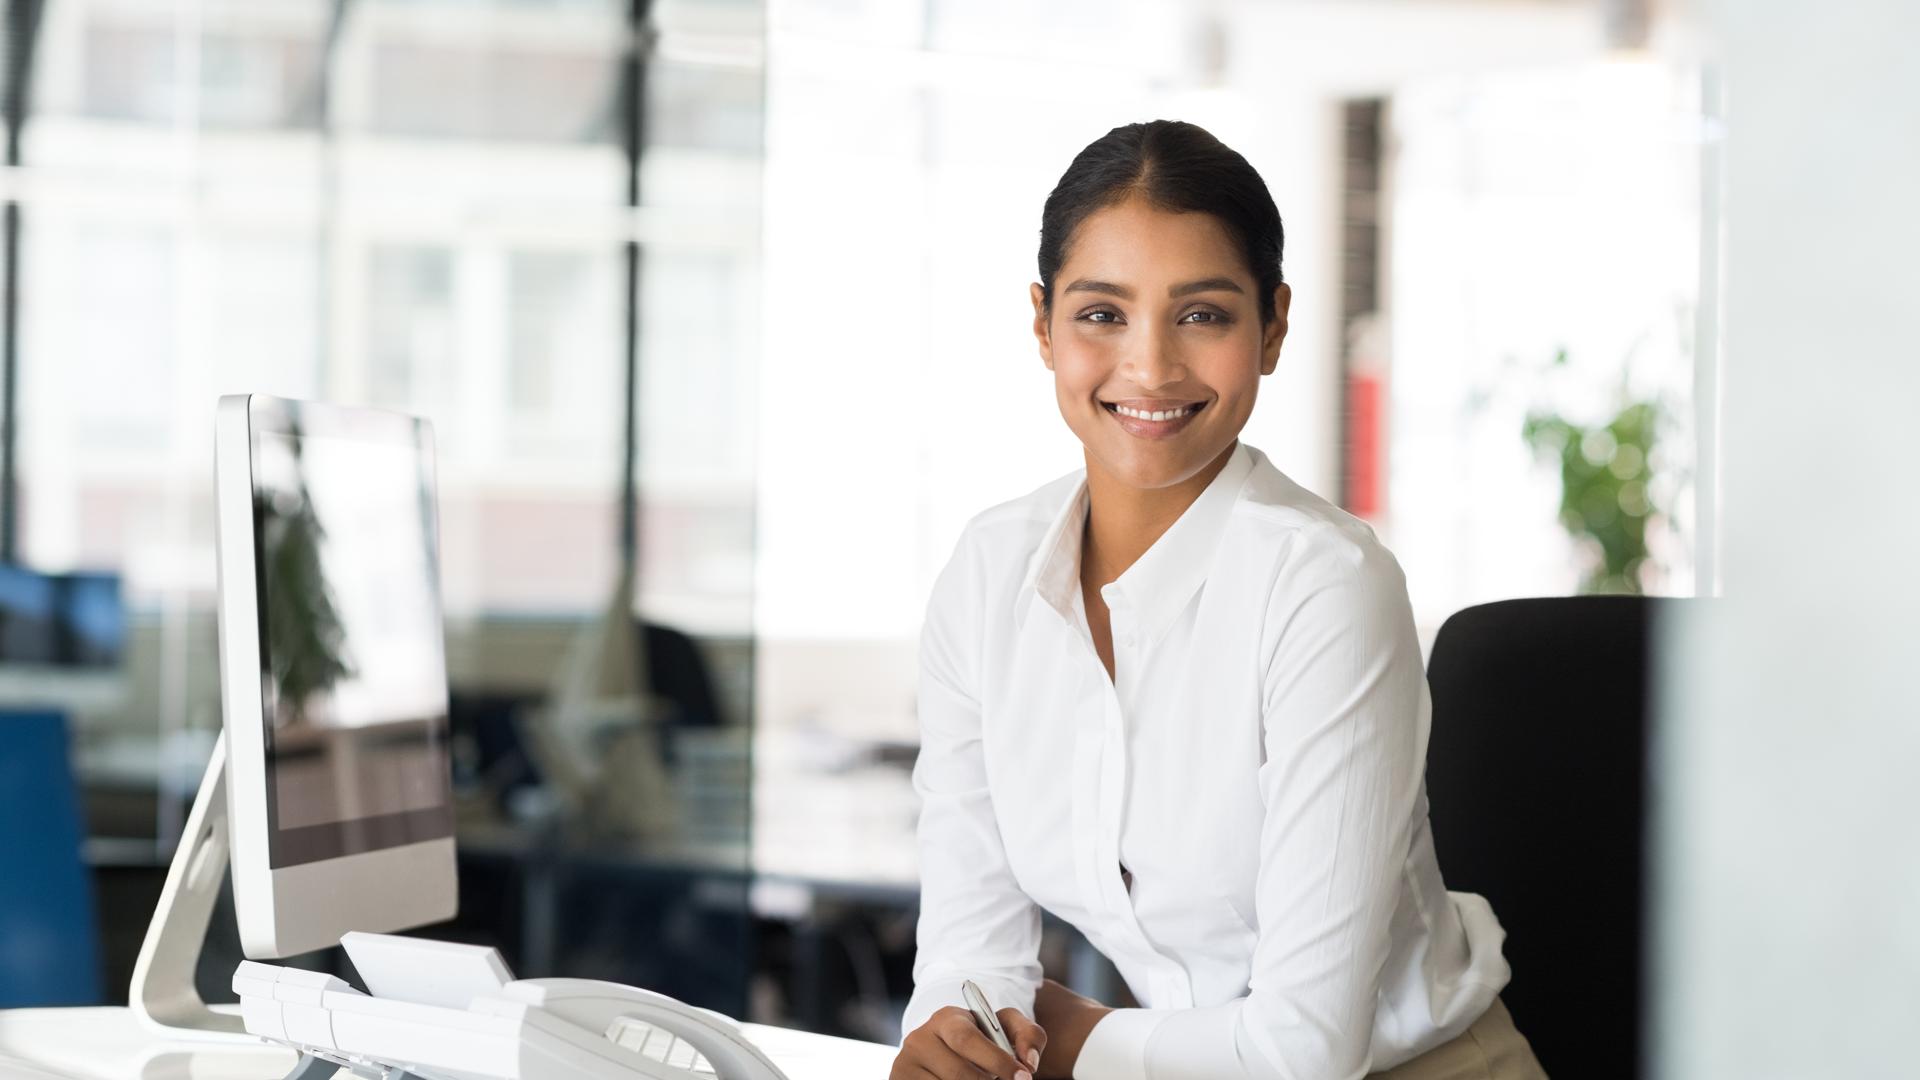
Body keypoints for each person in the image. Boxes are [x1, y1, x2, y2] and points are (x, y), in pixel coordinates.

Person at [889, 121, 1548, 1080]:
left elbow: (1304, 1051)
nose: (1150, 367)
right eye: (1101, 314)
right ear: (1042, 326)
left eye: (1202, 314)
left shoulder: (1324, 588)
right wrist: (964, 1034)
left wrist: (1073, 1038)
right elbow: (967, 955)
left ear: (1273, 327)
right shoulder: (990, 574)